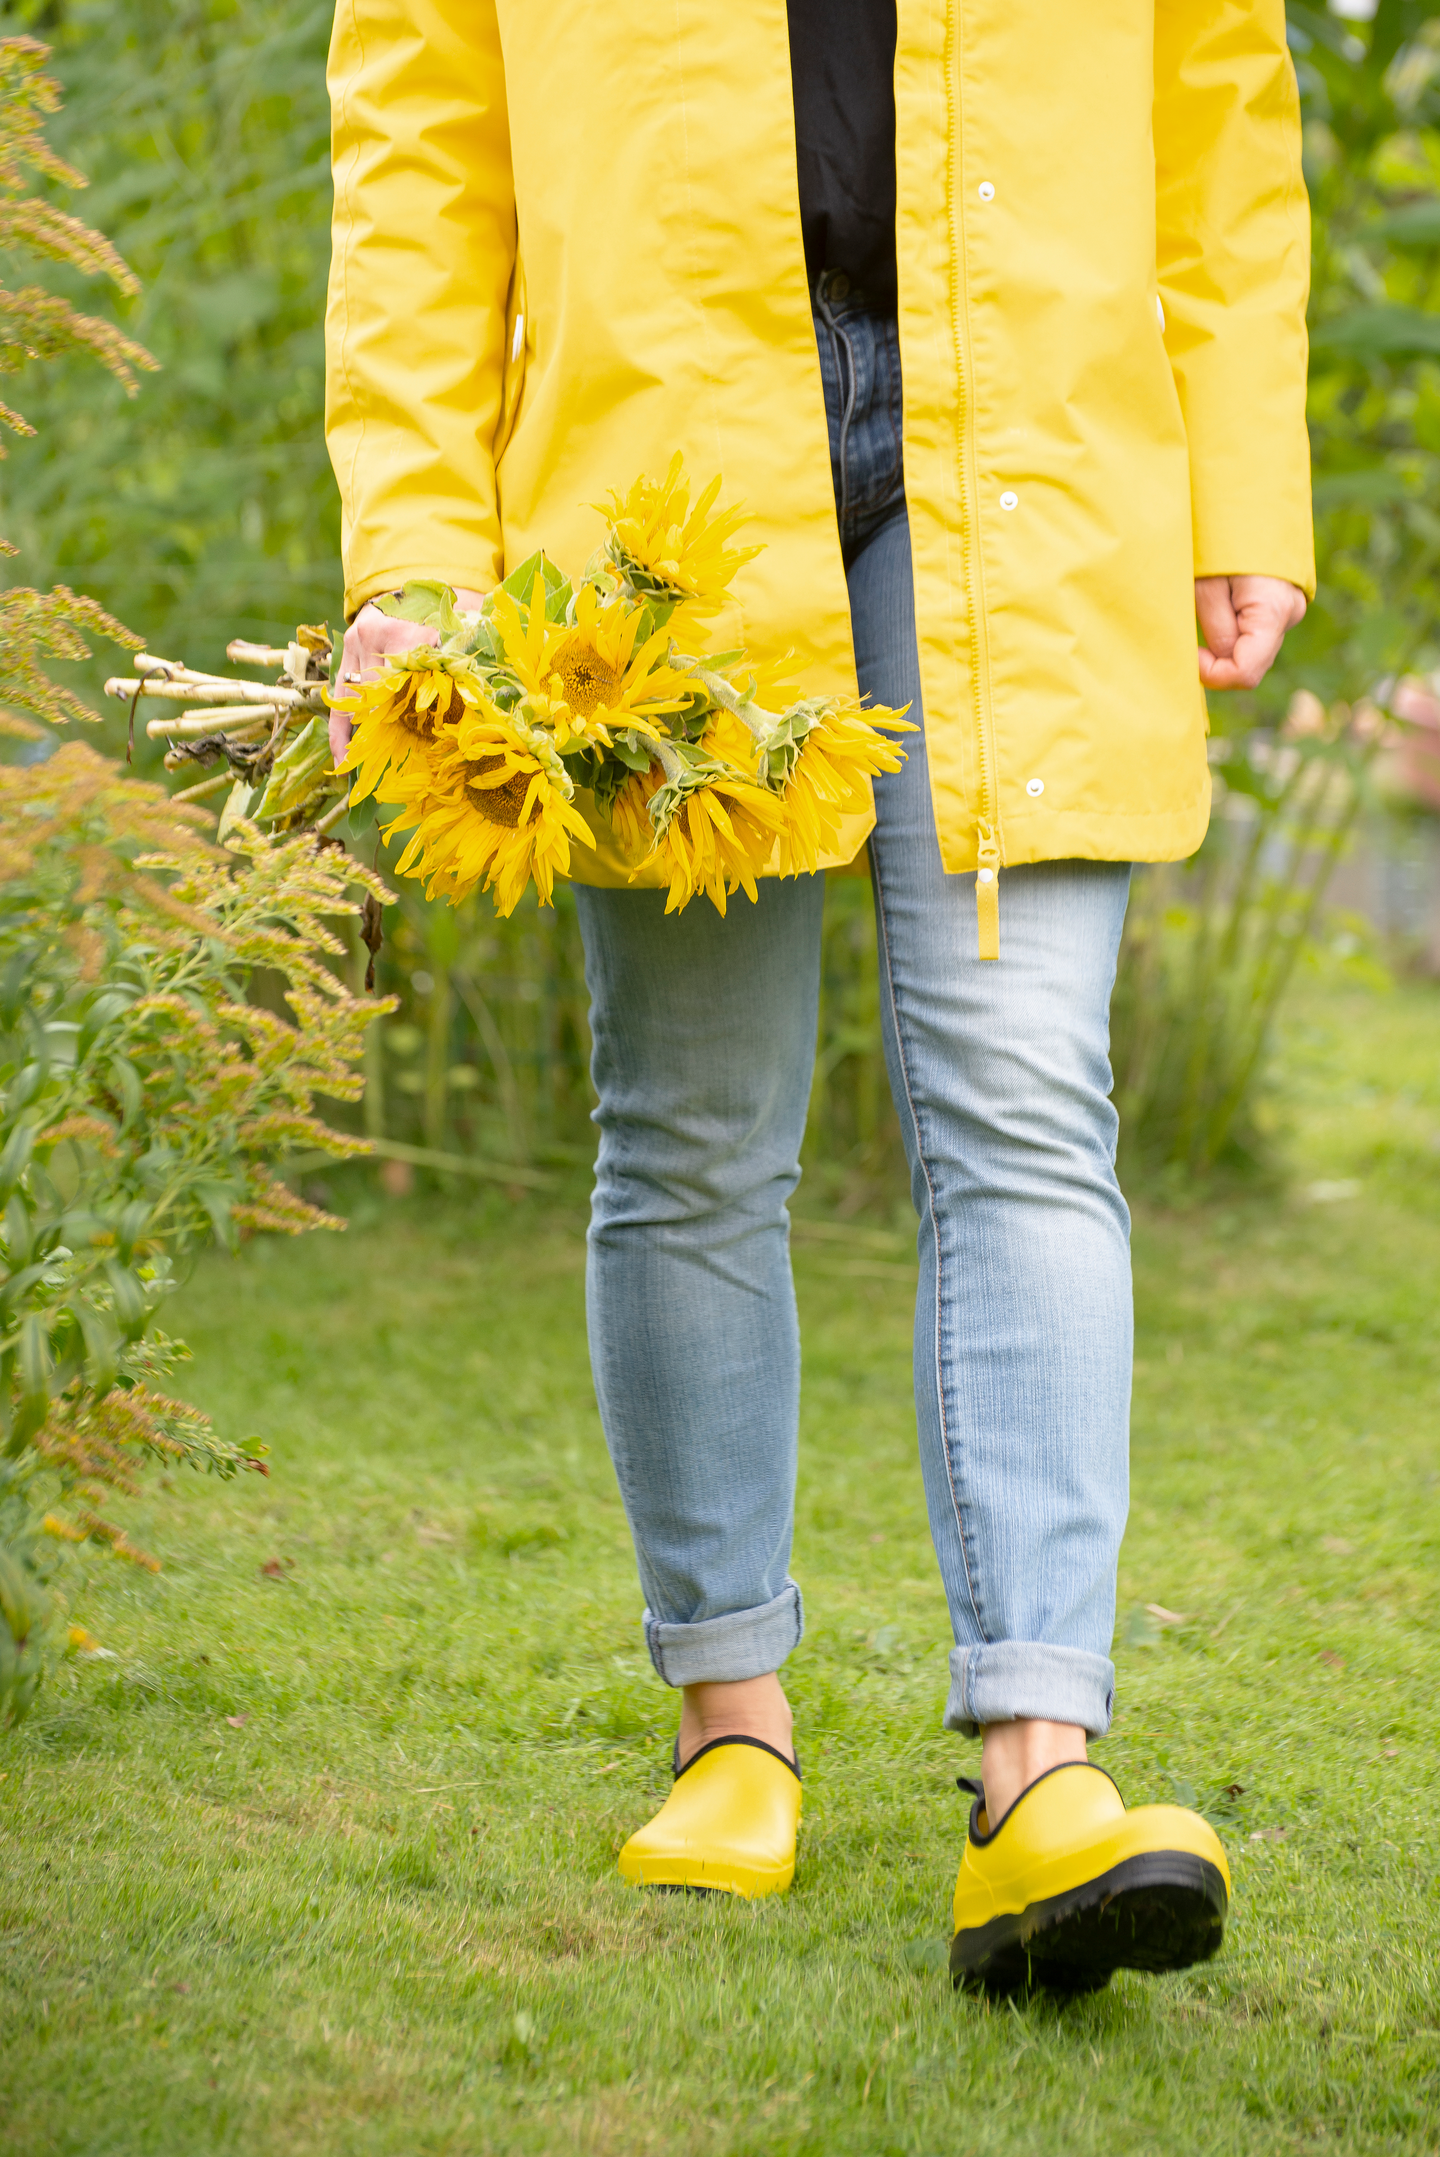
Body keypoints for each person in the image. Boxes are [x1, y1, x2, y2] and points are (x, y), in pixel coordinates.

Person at [324, 0, 1312, 1991]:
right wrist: (418, 540)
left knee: (1023, 1089)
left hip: (1034, 436)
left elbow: (1215, 88)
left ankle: (1043, 1759)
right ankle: (728, 1726)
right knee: (692, 1123)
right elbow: (424, 129)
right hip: (661, 441)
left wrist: (1243, 483)